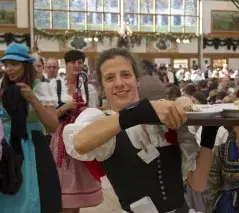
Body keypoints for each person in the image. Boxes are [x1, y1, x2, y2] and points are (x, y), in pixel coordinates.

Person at [62, 48, 218, 213]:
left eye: (126, 75)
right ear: (101, 87)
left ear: (137, 80)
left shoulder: (163, 122)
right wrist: (138, 111)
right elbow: (79, 142)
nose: (119, 83)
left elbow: (198, 184)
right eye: (109, 78)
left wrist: (209, 133)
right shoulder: (100, 121)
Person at [0, 43, 61, 213]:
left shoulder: (42, 87)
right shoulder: (2, 88)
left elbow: (52, 126)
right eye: (7, 64)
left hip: (33, 149)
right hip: (6, 149)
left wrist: (33, 99)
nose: (9, 69)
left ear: (26, 65)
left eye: (15, 64)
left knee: (33, 197)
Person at [50, 50, 102, 213]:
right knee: (62, 182)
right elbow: (48, 116)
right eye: (73, 62)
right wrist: (65, 107)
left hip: (79, 137)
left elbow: (93, 114)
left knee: (77, 186)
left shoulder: (89, 88)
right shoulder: (55, 86)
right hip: (60, 138)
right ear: (66, 64)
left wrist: (86, 111)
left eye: (80, 62)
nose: (77, 65)